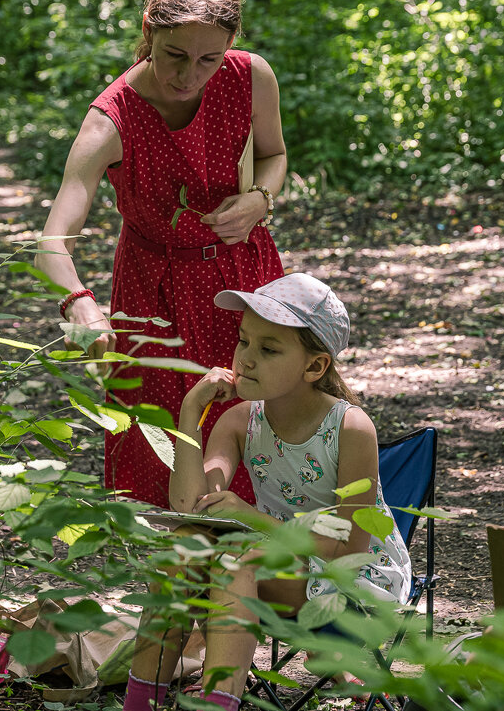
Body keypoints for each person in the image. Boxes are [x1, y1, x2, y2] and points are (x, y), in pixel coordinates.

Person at [36, 0, 286, 509]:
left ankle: (257, 581)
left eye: (208, 60)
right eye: (175, 54)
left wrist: (261, 199)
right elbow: (52, 242)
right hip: (155, 294)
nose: (188, 75)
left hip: (246, 282)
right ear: (148, 31)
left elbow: (274, 155)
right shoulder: (112, 118)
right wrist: (81, 305)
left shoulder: (251, 78)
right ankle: (165, 588)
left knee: (261, 429)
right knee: (158, 447)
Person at [123, 273, 412, 711]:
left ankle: (218, 704)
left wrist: (250, 518)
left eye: (269, 349)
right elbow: (189, 507)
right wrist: (188, 414)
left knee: (238, 561)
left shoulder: (351, 428)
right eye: (243, 341)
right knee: (183, 546)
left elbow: (349, 546)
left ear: (314, 367)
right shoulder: (239, 421)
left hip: (353, 576)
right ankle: (139, 703)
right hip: (275, 556)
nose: (246, 360)